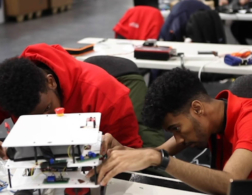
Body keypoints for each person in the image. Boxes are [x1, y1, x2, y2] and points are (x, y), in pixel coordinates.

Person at [88, 68, 252, 195]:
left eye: (176, 129)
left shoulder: (249, 118)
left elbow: (231, 183)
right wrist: (123, 151)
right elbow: (157, 153)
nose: (179, 140)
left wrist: (160, 159)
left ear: (197, 108)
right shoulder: (212, 117)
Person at [0, 43, 143, 159]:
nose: (44, 123)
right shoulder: (9, 89)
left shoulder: (105, 95)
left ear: (51, 82)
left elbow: (133, 153)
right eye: (29, 119)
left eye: (47, 109)